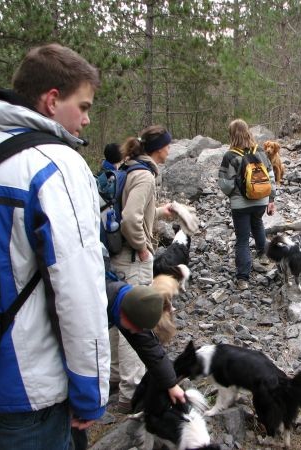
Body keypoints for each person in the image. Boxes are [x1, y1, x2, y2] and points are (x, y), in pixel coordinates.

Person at [0, 44, 110, 450]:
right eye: (83, 105)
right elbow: (78, 288)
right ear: (52, 100)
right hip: (29, 389)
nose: (87, 119)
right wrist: (90, 391)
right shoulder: (55, 163)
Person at [71, 269, 185, 450]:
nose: (136, 333)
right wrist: (87, 405)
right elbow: (81, 359)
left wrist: (171, 384)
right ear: (125, 314)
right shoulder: (90, 306)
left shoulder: (130, 305)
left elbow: (149, 347)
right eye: (135, 328)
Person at [110, 125, 175, 412]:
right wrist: (142, 247)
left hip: (116, 257)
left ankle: (114, 377)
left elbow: (133, 210)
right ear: (157, 147)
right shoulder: (145, 176)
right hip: (132, 258)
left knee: (117, 316)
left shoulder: (128, 168)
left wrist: (160, 212)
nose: (169, 150)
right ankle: (132, 390)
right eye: (166, 145)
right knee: (135, 321)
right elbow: (129, 218)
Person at [218, 119, 276, 290]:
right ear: (248, 132)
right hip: (261, 201)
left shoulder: (230, 155)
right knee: (257, 223)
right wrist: (271, 199)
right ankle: (264, 255)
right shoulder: (260, 151)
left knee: (242, 240)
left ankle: (243, 278)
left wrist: (234, 195)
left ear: (232, 135)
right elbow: (271, 177)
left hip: (240, 205)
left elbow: (225, 184)